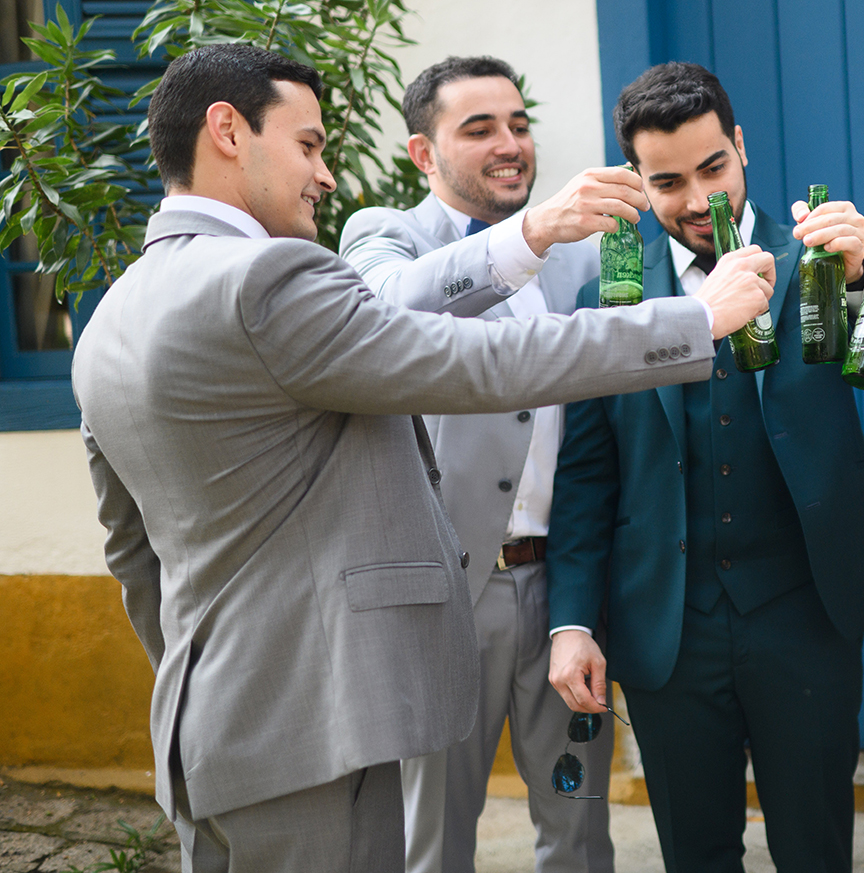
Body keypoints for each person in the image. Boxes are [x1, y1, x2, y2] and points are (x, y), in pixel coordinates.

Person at [72, 43, 777, 873]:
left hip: (212, 723)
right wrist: (694, 324)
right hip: (316, 726)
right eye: (308, 145)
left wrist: (213, 680)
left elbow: (132, 553)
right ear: (227, 131)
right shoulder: (266, 276)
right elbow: (469, 361)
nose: (326, 176)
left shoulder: (112, 313)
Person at [546, 62, 864, 873]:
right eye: (667, 182)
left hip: (805, 615)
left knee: (816, 849)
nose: (699, 200)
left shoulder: (827, 263)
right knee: (694, 855)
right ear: (636, 180)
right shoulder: (609, 302)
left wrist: (863, 280)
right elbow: (587, 479)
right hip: (667, 627)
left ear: (739, 147)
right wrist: (570, 623)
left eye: (713, 169)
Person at [338, 55, 630, 873]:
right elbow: (386, 313)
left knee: (578, 829)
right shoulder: (382, 235)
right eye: (479, 129)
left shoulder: (583, 259)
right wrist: (530, 233)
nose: (510, 145)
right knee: (433, 842)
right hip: (440, 601)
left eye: (518, 124)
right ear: (422, 155)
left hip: (565, 598)